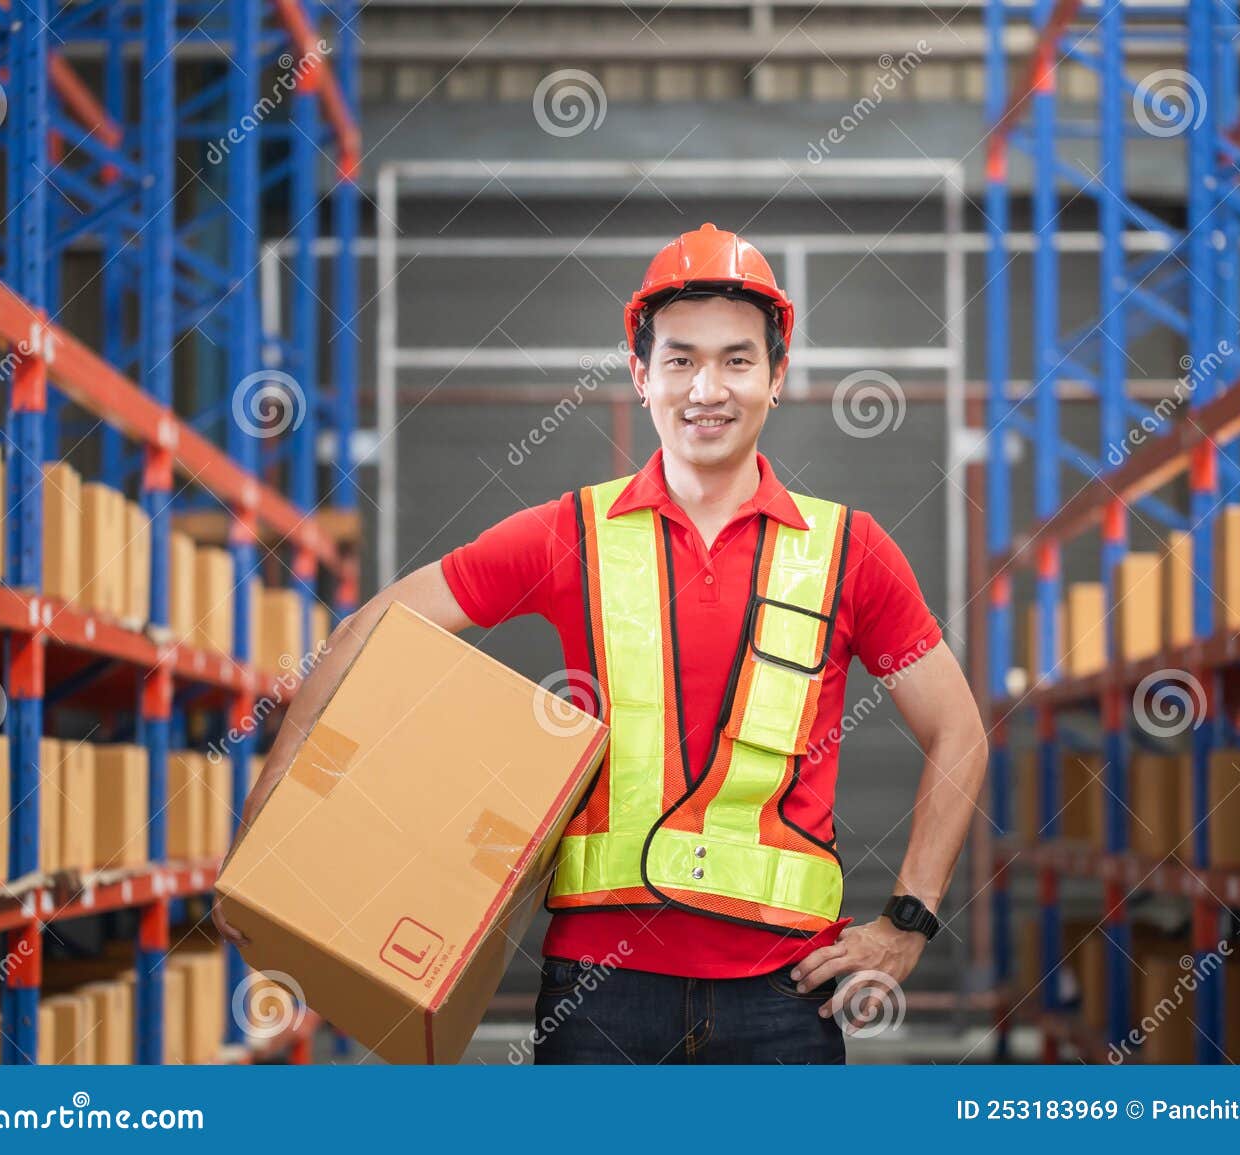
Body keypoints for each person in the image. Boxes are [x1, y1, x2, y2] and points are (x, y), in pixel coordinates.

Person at [214, 222, 988, 1064]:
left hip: (784, 997)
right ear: (640, 374)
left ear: (777, 377)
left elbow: (959, 730)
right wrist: (274, 803)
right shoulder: (569, 533)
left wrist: (908, 920)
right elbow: (373, 629)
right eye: (681, 359)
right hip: (598, 997)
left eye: (737, 359)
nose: (708, 387)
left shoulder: (852, 550)